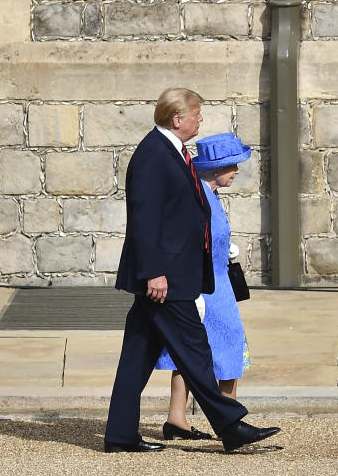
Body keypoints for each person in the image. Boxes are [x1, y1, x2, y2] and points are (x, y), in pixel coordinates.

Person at [104, 88, 280, 454]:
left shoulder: (172, 152)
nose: (201, 120)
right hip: (164, 279)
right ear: (177, 119)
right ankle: (230, 425)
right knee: (196, 350)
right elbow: (144, 218)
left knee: (137, 356)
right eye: (197, 114)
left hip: (172, 274)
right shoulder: (154, 154)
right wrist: (153, 272)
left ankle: (120, 435)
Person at [156, 133, 254, 441]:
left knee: (189, 353)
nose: (237, 171)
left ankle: (176, 418)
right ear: (215, 169)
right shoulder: (200, 198)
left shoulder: (206, 194)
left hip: (214, 283)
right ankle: (231, 421)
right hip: (208, 288)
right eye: (232, 166)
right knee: (229, 348)